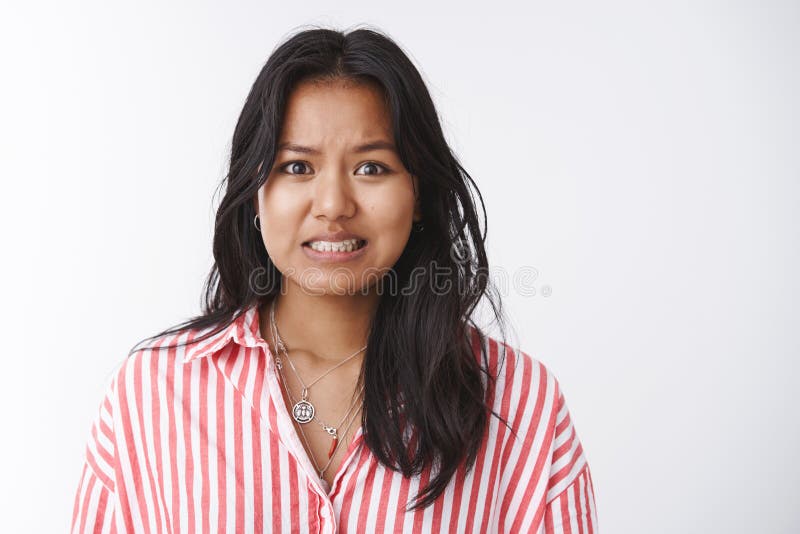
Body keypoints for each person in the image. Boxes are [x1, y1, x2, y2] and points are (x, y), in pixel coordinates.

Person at [70, 26, 598, 533]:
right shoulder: (151, 394)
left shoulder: (520, 402)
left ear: (418, 196)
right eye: (297, 168)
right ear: (256, 193)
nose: (332, 206)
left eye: (371, 168)